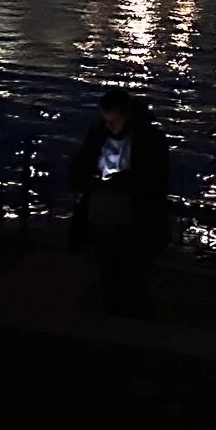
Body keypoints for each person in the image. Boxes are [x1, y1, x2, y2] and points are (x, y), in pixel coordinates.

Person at [68, 88, 170, 317]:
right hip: (104, 216)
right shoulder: (99, 134)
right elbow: (80, 167)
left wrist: (121, 183)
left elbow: (155, 179)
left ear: (128, 116)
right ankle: (118, 312)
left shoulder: (148, 140)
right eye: (106, 122)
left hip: (134, 219)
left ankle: (134, 314)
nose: (110, 127)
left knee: (133, 272)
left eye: (113, 123)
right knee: (109, 270)